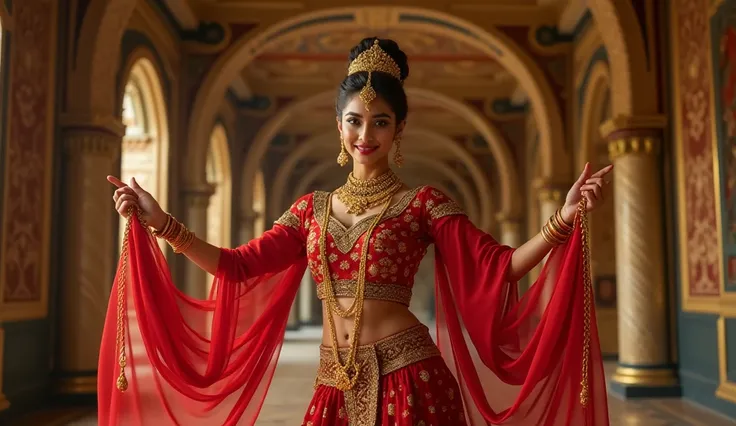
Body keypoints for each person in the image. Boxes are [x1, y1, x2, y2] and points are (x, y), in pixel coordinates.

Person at [99, 37, 612, 426]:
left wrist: (563, 221)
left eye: (381, 122)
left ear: (400, 128)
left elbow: (499, 266)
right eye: (355, 121)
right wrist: (160, 222)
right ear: (339, 127)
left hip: (411, 379)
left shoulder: (423, 204)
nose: (367, 135)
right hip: (332, 383)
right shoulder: (309, 210)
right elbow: (237, 266)